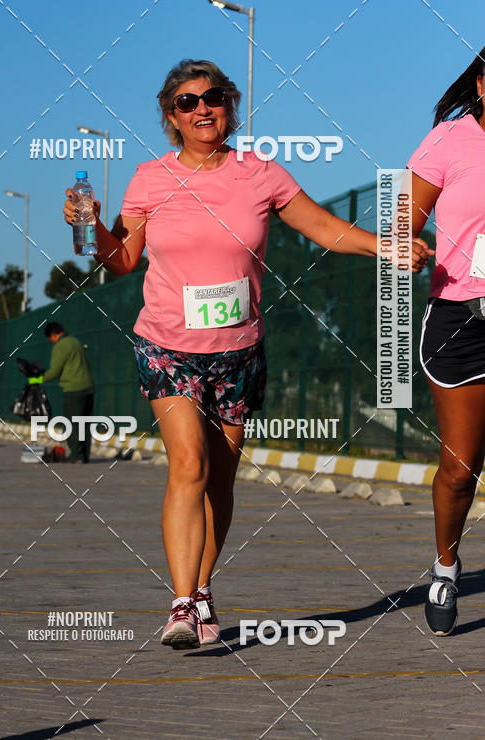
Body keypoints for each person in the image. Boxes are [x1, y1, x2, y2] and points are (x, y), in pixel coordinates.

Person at [63, 58, 430, 650]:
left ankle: (203, 588)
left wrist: (383, 246)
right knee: (189, 464)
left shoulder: (260, 175)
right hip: (165, 345)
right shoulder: (150, 179)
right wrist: (93, 227)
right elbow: (122, 261)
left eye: (214, 97)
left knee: (221, 481)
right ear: (171, 117)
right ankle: (181, 604)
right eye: (187, 102)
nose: (202, 108)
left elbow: (324, 228)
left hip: (237, 350)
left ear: (230, 107)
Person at [408, 45, 485, 636]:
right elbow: (402, 219)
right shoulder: (449, 141)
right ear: (480, 86)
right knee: (461, 469)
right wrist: (402, 243)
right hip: (461, 318)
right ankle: (445, 566)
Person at [41, 322, 94, 462]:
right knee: (85, 423)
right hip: (88, 387)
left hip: (73, 389)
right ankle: (85, 456)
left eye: (50, 339)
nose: (51, 342)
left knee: (72, 423)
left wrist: (38, 379)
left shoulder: (60, 346)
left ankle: (76, 455)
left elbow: (54, 371)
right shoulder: (76, 342)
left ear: (53, 335)